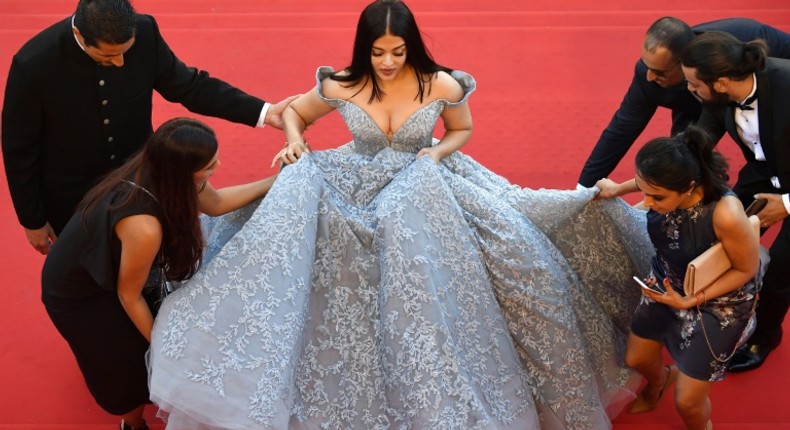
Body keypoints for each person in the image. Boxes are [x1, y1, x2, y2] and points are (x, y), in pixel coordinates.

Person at [148, 1, 654, 429]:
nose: (387, 62)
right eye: (377, 52)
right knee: (317, 246)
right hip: (354, 175)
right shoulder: (343, 83)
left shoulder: (443, 85)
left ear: (411, 46)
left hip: (427, 177)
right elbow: (296, 114)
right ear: (363, 50)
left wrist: (435, 155)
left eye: (397, 51)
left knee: (518, 253)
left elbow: (461, 131)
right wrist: (297, 145)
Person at [1, 0, 296, 255]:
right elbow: (19, 150)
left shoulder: (145, 33)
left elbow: (190, 87)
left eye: (124, 53)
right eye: (107, 56)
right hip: (73, 199)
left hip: (141, 179)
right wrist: (33, 219)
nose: (119, 62)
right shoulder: (33, 64)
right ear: (79, 34)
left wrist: (265, 112)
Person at [41, 118, 277, 430]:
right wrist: (163, 346)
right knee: (124, 363)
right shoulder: (144, 227)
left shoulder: (163, 170)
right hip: (78, 293)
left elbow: (217, 204)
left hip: (108, 268)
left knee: (136, 342)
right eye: (209, 165)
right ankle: (132, 423)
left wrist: (276, 180)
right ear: (182, 171)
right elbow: (129, 294)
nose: (218, 165)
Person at [596, 126, 762, 430]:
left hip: (719, 302)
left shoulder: (726, 213)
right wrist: (619, 189)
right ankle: (661, 380)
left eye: (656, 197)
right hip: (667, 281)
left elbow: (745, 270)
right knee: (636, 358)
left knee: (687, 402)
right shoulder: (668, 188)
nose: (647, 202)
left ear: (688, 188)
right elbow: (649, 184)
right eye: (645, 191)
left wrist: (689, 300)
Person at [677, 31, 790, 373]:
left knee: (783, 269)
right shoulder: (720, 97)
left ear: (721, 82)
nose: (688, 90)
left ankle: (767, 334)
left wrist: (786, 204)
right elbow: (697, 143)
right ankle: (724, 304)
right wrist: (653, 178)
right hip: (766, 169)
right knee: (713, 224)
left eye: (692, 83)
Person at [577, 16, 790, 188]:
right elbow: (622, 128)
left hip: (763, 99)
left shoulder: (741, 51)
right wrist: (584, 190)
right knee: (679, 166)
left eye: (659, 71)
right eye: (646, 65)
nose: (649, 76)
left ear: (685, 64)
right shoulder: (652, 76)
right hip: (701, 103)